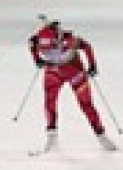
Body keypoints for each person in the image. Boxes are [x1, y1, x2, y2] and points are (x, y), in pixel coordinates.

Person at [29, 17, 117, 152]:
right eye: (45, 50)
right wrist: (37, 59)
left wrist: (92, 66)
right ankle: (52, 137)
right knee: (49, 102)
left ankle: (102, 136)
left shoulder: (70, 40)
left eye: (52, 47)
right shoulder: (38, 39)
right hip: (53, 72)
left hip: (75, 72)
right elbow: (32, 43)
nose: (49, 51)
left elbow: (87, 47)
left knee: (86, 104)